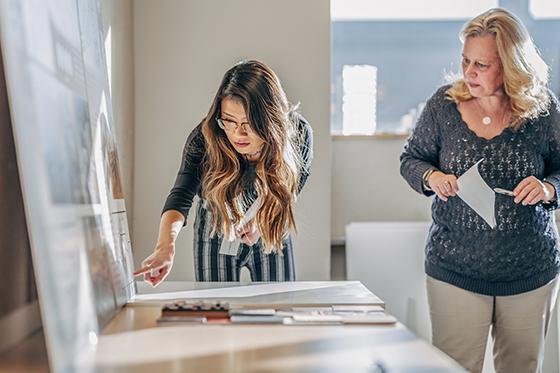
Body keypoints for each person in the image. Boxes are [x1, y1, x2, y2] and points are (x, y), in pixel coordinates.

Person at [400, 8, 560, 373]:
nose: (468, 72)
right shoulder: (444, 106)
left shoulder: (543, 110)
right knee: (454, 368)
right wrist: (431, 178)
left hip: (529, 272)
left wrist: (549, 187)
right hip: (455, 268)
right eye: (465, 61)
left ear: (510, 65)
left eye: (482, 65)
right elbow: (411, 160)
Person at [134, 60, 313, 284]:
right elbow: (181, 195)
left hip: (269, 219)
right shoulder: (205, 138)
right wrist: (165, 247)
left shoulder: (298, 134)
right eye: (229, 121)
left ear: (271, 119)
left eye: (249, 123)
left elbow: (292, 186)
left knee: (278, 306)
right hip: (216, 226)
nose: (238, 133)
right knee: (215, 307)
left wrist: (260, 220)